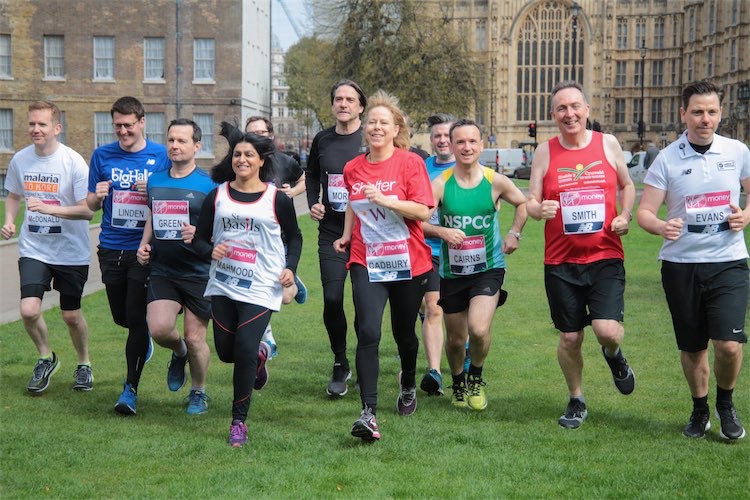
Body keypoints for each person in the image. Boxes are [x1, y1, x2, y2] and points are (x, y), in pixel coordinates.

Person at [637, 80, 749, 441]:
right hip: (681, 265)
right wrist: (661, 226)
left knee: (729, 345)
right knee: (693, 347)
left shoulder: (738, 151)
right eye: (697, 112)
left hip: (729, 261)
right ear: (683, 113)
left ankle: (726, 405)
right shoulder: (667, 158)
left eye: (712, 112)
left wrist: (746, 216)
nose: (705, 119)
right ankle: (700, 410)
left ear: (721, 114)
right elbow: (645, 213)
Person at [526, 81, 636, 430]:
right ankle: (577, 399)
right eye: (561, 108)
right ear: (553, 115)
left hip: (604, 255)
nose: (569, 113)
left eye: (575, 106)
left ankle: (614, 354)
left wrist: (625, 215)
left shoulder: (608, 144)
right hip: (560, 260)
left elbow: (627, 185)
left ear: (587, 110)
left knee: (607, 331)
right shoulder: (545, 151)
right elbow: (529, 200)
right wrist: (537, 208)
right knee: (570, 337)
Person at [190, 132, 303, 447]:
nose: (242, 160)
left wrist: (290, 268)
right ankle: (260, 355)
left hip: (262, 286)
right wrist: (208, 250)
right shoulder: (218, 196)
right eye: (237, 154)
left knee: (242, 350)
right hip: (224, 284)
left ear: (261, 161)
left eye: (249, 155)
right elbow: (199, 239)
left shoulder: (275, 198)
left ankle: (238, 422)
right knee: (227, 352)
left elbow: (294, 237)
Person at [334, 90, 434, 442]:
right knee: (368, 332)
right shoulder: (353, 168)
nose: (376, 127)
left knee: (404, 333)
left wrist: (389, 200)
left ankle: (408, 379)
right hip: (367, 259)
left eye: (383, 123)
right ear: (366, 130)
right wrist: (346, 236)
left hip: (409, 260)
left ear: (395, 129)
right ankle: (368, 412)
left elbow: (423, 211)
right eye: (372, 122)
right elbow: (352, 203)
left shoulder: (410, 164)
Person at [424, 119, 527, 411]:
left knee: (479, 330)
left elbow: (522, 203)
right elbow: (418, 222)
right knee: (456, 340)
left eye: (472, 141)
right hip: (452, 272)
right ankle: (457, 382)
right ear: (452, 146)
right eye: (460, 142)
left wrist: (514, 232)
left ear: (481, 145)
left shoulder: (495, 180)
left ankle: (476, 378)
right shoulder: (441, 184)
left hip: (488, 267)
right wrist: (442, 231)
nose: (466, 147)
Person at [2, 100, 94, 393]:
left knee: (71, 315)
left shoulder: (73, 162)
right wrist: (10, 220)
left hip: (70, 250)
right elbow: (14, 194)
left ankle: (84, 364)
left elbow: (87, 211)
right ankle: (46, 357)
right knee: (28, 310)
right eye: (31, 123)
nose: (35, 129)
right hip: (35, 248)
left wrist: (50, 209)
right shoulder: (20, 160)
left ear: (57, 128)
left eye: (42, 124)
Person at [87, 96, 170, 413]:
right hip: (110, 246)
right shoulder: (102, 155)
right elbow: (91, 205)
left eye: (128, 125)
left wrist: (152, 189)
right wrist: (98, 195)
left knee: (136, 317)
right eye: (118, 126)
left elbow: (168, 199)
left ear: (142, 122)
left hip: (143, 247)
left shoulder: (160, 156)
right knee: (121, 317)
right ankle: (144, 338)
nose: (123, 131)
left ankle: (129, 391)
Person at [130, 119, 217, 416]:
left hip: (198, 273)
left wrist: (201, 235)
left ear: (196, 146)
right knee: (159, 329)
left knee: (196, 339)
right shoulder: (155, 181)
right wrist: (144, 245)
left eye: (182, 141)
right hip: (164, 269)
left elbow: (218, 231)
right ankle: (177, 353)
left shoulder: (208, 187)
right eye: (171, 140)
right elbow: (152, 216)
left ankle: (199, 391)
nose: (175, 146)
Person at [306, 79, 367, 397]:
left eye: (349, 99)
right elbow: (313, 172)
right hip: (330, 231)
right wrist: (314, 201)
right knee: (332, 298)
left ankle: (363, 358)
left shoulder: (369, 139)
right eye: (338, 99)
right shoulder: (322, 139)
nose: (343, 104)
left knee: (363, 303)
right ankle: (340, 361)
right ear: (332, 105)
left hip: (367, 233)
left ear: (360, 106)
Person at [245, 116, 308, 357]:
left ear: (271, 136)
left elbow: (304, 180)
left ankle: (295, 280)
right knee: (254, 290)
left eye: (263, 132)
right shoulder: (241, 161)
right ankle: (267, 340)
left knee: (286, 296)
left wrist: (292, 191)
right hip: (250, 238)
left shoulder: (284, 162)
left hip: (280, 238)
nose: (259, 136)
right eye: (253, 132)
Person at [418, 113, 456, 396]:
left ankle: (463, 351)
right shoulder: (422, 168)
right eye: (437, 136)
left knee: (459, 316)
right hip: (429, 249)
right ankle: (435, 372)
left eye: (447, 135)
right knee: (433, 307)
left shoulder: (470, 166)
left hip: (463, 253)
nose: (442, 140)